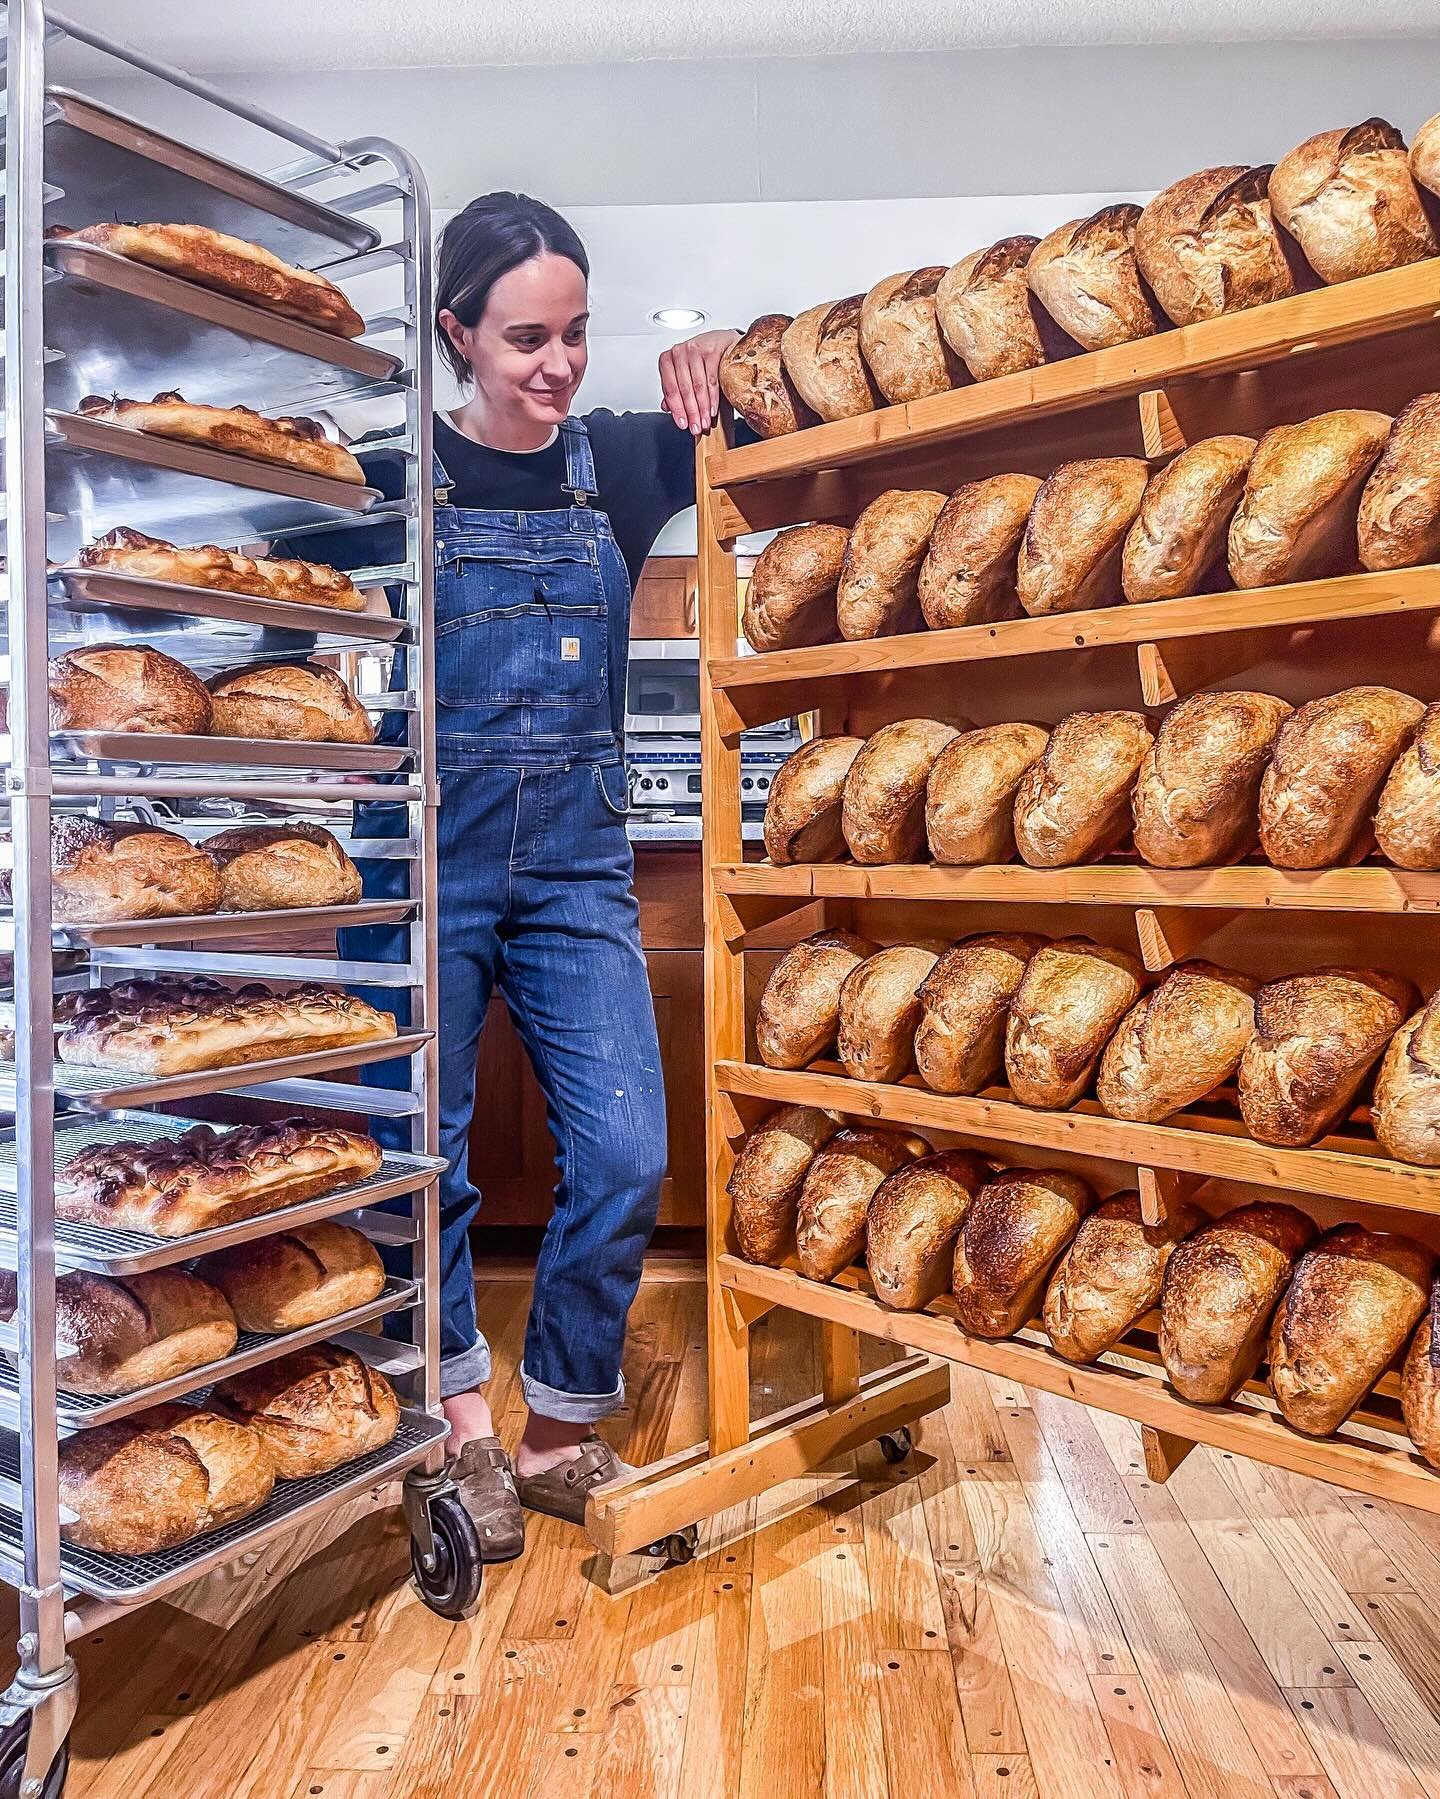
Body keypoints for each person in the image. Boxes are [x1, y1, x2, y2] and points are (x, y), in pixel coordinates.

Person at [315, 192, 738, 1559]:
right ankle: (457, 1428)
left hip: (575, 868)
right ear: (455, 335)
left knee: (625, 1152)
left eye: (576, 334)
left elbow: (784, 389)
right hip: (414, 868)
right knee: (415, 1157)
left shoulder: (615, 463)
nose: (558, 364)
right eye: (524, 339)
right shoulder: (389, 481)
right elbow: (283, 619)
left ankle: (561, 1428)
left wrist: (732, 345)